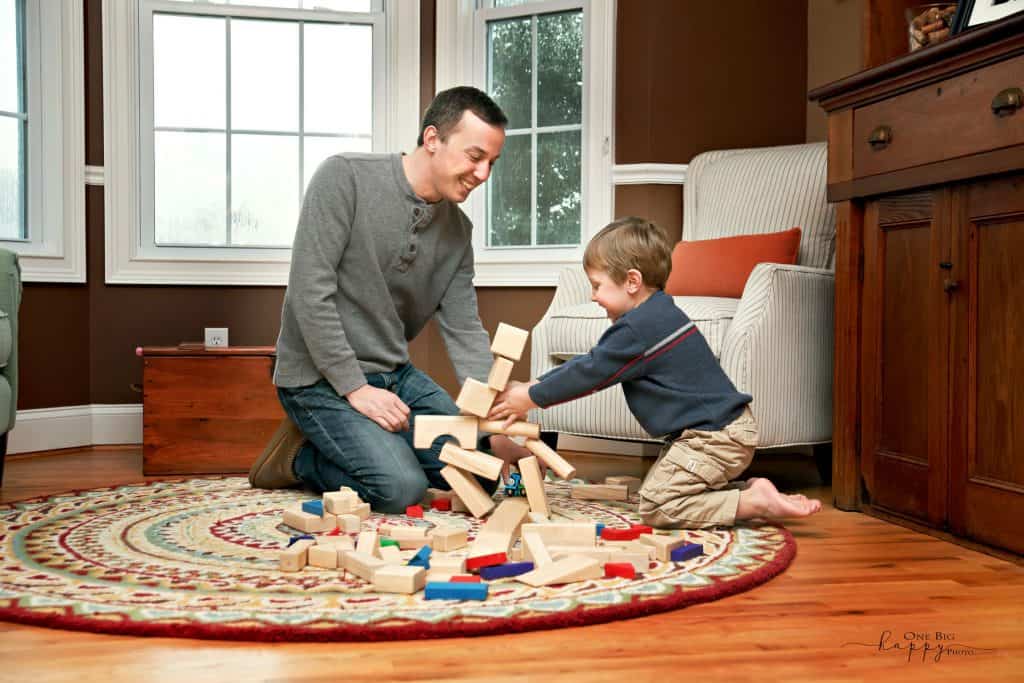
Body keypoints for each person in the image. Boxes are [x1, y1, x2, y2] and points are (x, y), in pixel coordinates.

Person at [249, 86, 524, 512]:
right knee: (399, 489)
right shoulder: (344, 177)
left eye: (492, 162)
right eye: (475, 156)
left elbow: (465, 330)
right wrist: (355, 388)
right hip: (318, 378)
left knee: (479, 472)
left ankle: (376, 442)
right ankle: (300, 459)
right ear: (432, 139)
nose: (483, 174)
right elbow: (309, 295)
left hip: (395, 375)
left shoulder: (458, 233)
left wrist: (496, 423)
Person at [488, 217, 822, 529]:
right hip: (717, 433)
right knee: (664, 486)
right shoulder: (659, 313)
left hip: (714, 438)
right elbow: (592, 363)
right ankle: (746, 490)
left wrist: (529, 396)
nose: (593, 296)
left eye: (597, 285)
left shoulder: (638, 329)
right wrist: (534, 384)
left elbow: (590, 372)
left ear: (632, 281)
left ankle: (753, 503)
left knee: (657, 505)